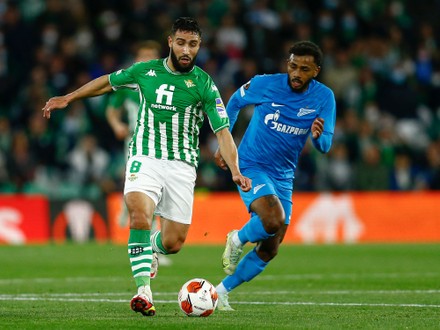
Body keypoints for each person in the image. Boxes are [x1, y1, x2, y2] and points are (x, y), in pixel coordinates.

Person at [42, 17, 251, 317]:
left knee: (173, 242)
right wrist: (70, 97)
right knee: (140, 214)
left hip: (182, 165)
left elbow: (223, 132)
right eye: (181, 42)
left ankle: (152, 247)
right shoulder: (145, 71)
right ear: (170, 42)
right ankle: (143, 291)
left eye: (192, 44)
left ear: (199, 46)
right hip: (145, 156)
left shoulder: (205, 84)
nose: (186, 50)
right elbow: (108, 82)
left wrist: (235, 170)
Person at [214, 41, 336, 311]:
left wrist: (317, 138)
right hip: (251, 164)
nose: (296, 73)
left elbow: (325, 146)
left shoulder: (324, 97)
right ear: (287, 64)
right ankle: (237, 238)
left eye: (304, 69)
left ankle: (218, 292)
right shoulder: (265, 84)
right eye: (293, 66)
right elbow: (234, 102)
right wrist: (225, 144)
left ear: (315, 71)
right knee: (272, 219)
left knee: (271, 247)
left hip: (283, 176)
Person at [105, 40, 173, 267]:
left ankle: (150, 243)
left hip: (161, 146)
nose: (146, 61)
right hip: (134, 142)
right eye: (142, 56)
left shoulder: (166, 84)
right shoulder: (129, 85)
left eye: (150, 57)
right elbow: (112, 110)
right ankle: (130, 211)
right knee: (142, 191)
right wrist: (116, 126)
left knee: (157, 195)